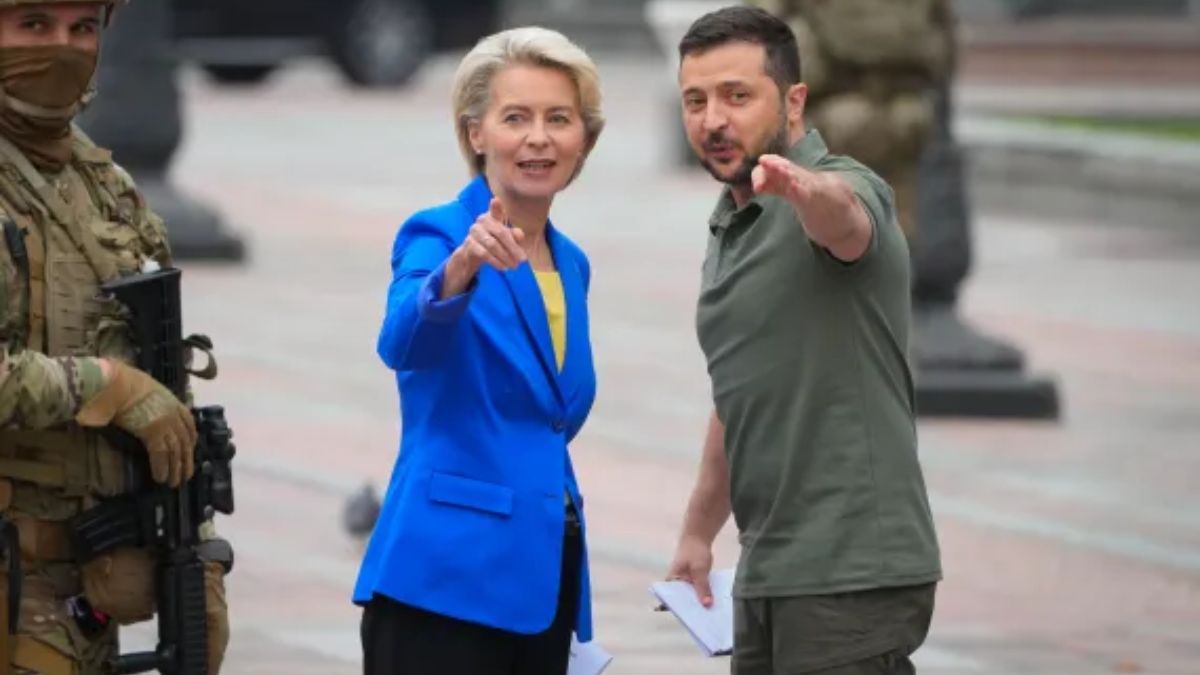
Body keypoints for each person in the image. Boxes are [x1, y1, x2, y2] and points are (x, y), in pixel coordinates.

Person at [665, 7, 942, 674]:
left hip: (850, 572)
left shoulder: (847, 186)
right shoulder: (731, 224)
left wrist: (804, 188)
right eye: (695, 101)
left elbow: (844, 221)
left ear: (793, 103)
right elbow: (740, 391)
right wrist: (700, 530)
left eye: (736, 96)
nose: (712, 120)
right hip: (769, 570)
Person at [352, 25, 605, 675]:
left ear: (585, 137)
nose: (539, 138)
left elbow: (551, 420)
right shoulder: (440, 232)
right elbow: (401, 338)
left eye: (559, 118)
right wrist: (459, 270)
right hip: (444, 582)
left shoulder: (571, 263)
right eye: (515, 117)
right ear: (476, 134)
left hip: (543, 578)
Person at [0, 1, 229, 674]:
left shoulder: (107, 190)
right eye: (33, 26)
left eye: (83, 29)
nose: (64, 48)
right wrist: (109, 385)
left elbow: (164, 388)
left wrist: (197, 554)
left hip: (80, 599)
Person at [747, 0, 955, 238]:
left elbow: (759, 32)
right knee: (893, 223)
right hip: (904, 112)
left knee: (815, 224)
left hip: (828, 115)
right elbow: (946, 43)